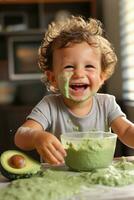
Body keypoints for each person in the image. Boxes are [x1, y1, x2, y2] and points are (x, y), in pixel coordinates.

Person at [14, 16, 134, 165]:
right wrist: (37, 137)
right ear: (52, 78)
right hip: (58, 178)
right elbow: (21, 136)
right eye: (69, 67)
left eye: (89, 66)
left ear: (102, 76)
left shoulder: (106, 104)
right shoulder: (50, 106)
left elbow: (126, 131)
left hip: (97, 178)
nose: (79, 74)